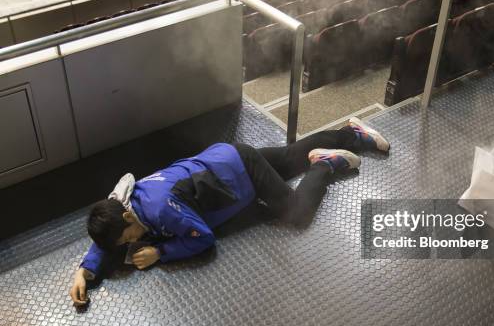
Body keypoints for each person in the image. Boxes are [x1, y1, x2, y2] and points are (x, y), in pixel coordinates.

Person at [70, 117, 390, 306]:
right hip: (226, 156)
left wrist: (160, 252)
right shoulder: (121, 199)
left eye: (128, 238)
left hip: (240, 174)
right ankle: (353, 132)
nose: (129, 244)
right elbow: (107, 233)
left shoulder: (161, 211)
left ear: (128, 218)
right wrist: (86, 270)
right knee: (292, 155)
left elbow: (203, 238)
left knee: (297, 214)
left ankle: (325, 164)